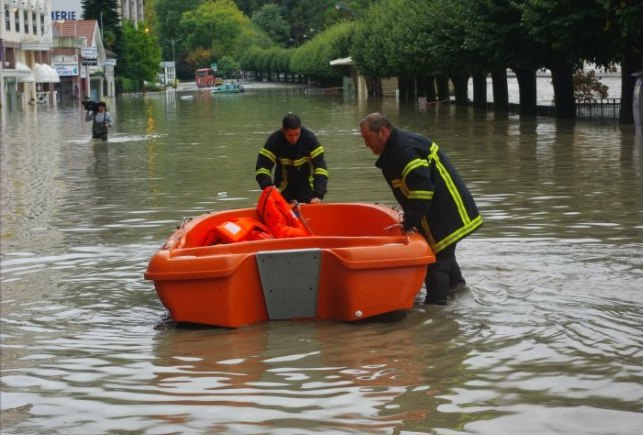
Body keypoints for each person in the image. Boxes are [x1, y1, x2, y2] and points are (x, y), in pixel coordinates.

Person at [359, 113, 482, 305]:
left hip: (447, 211)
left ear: (383, 132)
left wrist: (408, 222)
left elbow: (422, 191)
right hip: (442, 210)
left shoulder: (404, 150)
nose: (366, 144)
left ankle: (436, 312)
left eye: (367, 138)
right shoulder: (398, 148)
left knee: (435, 264)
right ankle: (459, 293)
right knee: (444, 256)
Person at [255, 113, 328, 204]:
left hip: (307, 189)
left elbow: (321, 169)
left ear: (300, 129)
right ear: (283, 131)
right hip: (282, 189)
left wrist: (318, 194)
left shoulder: (310, 140)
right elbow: (262, 167)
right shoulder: (274, 141)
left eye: (297, 134)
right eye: (290, 135)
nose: (294, 139)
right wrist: (268, 187)